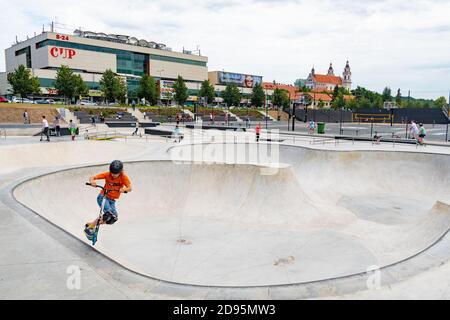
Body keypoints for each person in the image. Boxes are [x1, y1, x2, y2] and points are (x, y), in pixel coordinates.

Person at [84, 160, 132, 240]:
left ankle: (90, 225)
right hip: (103, 197)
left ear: (121, 172)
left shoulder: (124, 177)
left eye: (115, 174)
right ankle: (88, 230)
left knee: (113, 218)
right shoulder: (107, 174)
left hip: (112, 201)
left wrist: (124, 189)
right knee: (108, 214)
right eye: (112, 173)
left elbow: (130, 188)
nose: (113, 175)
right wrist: (92, 181)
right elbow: (92, 177)